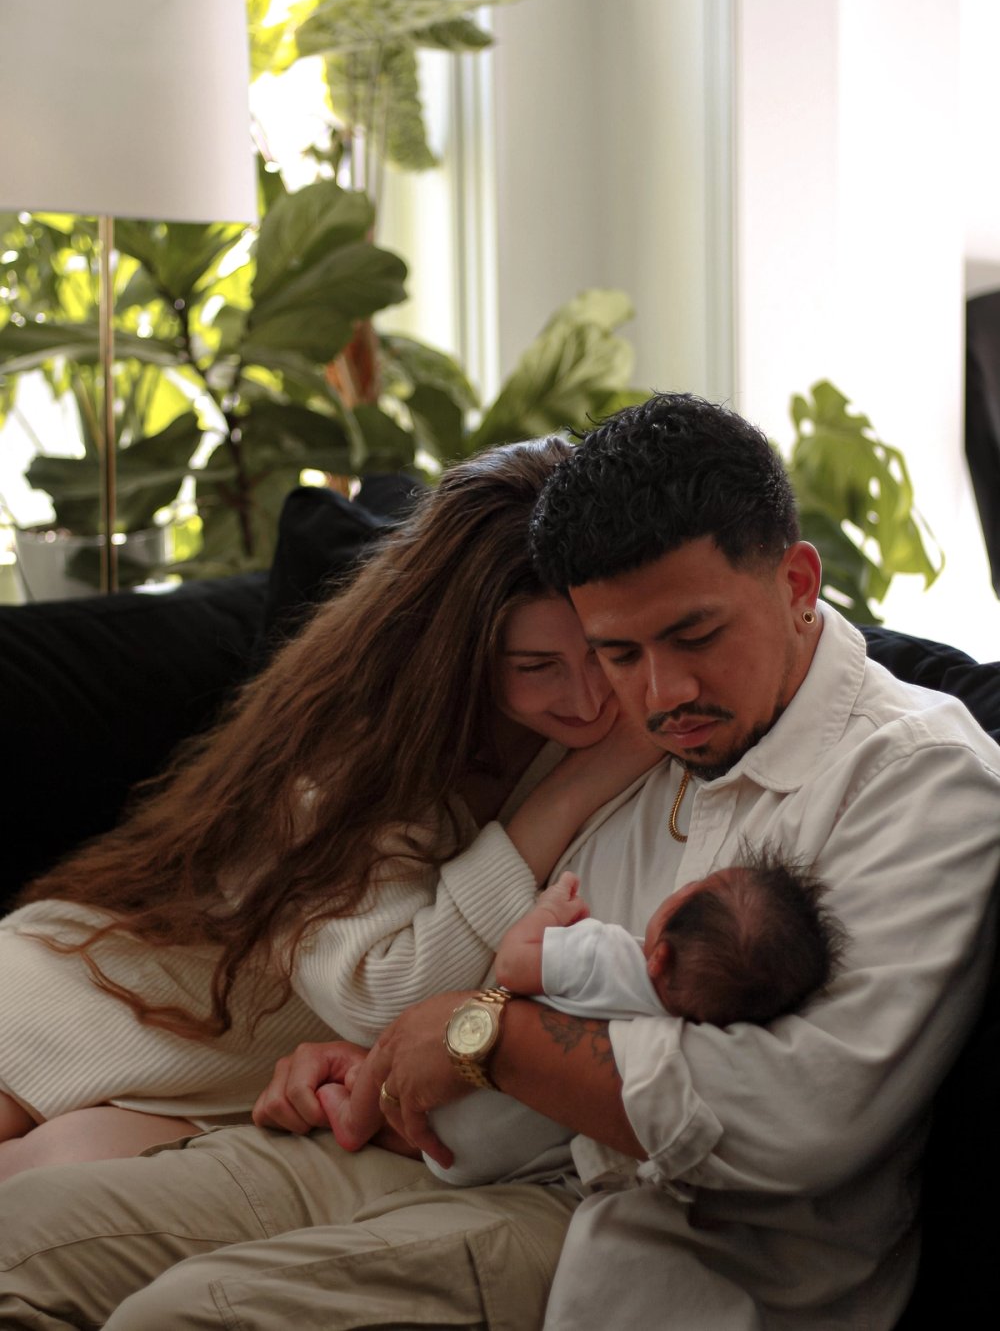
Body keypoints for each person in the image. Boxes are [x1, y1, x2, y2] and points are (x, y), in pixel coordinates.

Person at [1, 393, 998, 1331]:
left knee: (179, 1318)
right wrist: (384, 1069)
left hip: (671, 1240)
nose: (658, 690)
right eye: (618, 652)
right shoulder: (649, 744)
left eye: (694, 634)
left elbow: (795, 1115)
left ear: (794, 583)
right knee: (21, 1245)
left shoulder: (917, 782)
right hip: (466, 1152)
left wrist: (487, 1042)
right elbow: (506, 993)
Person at [0, 437, 658, 1181]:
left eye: (604, 653)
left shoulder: (610, 720)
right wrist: (578, 784)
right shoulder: (360, 744)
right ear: (461, 653)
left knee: (45, 1196)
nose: (589, 698)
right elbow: (382, 994)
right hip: (117, 984)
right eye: (537, 667)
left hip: (234, 1074)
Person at [323, 851, 846, 1188]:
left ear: (658, 957)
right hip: (491, 1165)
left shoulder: (607, 954)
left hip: (446, 1097)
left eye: (693, 890)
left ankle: (349, 1118)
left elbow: (513, 966)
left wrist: (550, 911)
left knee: (389, 1057)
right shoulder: (680, 1035)